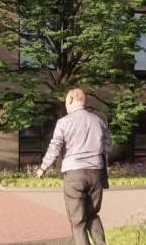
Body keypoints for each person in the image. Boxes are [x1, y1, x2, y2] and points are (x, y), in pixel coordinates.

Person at [35, 89, 111, 245]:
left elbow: (54, 147)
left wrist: (43, 167)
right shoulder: (99, 121)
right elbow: (108, 146)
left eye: (65, 102)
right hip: (96, 173)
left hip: (74, 174)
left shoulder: (64, 122)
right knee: (92, 215)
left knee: (78, 221)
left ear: (70, 100)